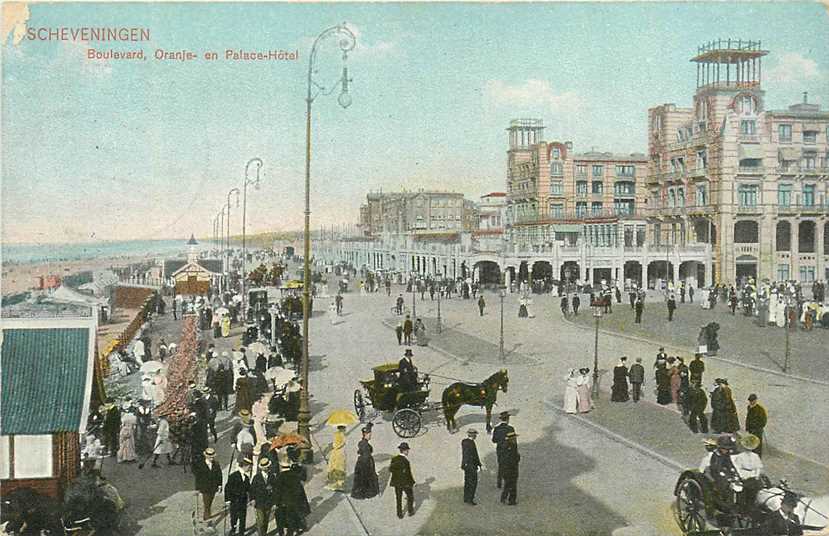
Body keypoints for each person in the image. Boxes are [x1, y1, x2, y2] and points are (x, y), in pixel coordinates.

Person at [274, 459, 311, 536]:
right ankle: (296, 530)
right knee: (294, 517)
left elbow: (278, 492)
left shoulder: (280, 477)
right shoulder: (294, 475)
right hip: (295, 501)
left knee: (287, 518)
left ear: (282, 467)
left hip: (285, 502)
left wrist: (276, 503)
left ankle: (287, 533)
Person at [733, 433, 765, 512]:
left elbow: (758, 467)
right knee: (744, 490)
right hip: (745, 476)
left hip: (753, 476)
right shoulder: (740, 456)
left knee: (758, 488)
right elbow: (738, 468)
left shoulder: (755, 456)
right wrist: (742, 476)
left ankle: (754, 504)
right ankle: (743, 506)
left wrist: (757, 476)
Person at [225, 457, 252, 536]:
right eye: (249, 467)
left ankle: (241, 533)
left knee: (243, 518)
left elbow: (249, 489)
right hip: (234, 501)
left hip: (243, 502)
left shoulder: (246, 478)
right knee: (234, 517)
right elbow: (227, 488)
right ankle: (233, 529)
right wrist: (227, 500)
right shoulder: (233, 476)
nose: (250, 469)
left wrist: (251, 498)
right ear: (245, 466)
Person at [250, 457, 277, 536]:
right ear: (263, 468)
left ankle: (264, 533)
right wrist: (252, 499)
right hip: (259, 502)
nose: (269, 468)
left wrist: (275, 503)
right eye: (267, 467)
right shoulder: (256, 477)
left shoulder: (272, 476)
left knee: (266, 520)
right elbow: (252, 489)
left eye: (269, 467)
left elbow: (275, 490)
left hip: (269, 502)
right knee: (260, 521)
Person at [351, 425, 379, 499]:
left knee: (363, 478)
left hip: (362, 462)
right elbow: (366, 456)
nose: (370, 436)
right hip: (364, 463)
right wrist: (369, 466)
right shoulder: (365, 444)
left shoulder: (363, 442)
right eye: (369, 434)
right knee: (365, 477)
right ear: (365, 434)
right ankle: (365, 493)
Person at [194, 447, 222, 520]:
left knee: (209, 503)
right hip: (205, 487)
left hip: (213, 487)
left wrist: (220, 485)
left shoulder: (216, 464)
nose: (212, 459)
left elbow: (219, 475)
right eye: (210, 457)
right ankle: (207, 519)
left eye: (213, 457)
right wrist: (197, 488)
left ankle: (206, 516)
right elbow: (198, 478)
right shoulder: (201, 465)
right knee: (207, 505)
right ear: (206, 456)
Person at [389, 442, 416, 519]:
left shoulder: (394, 459)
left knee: (398, 498)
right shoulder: (406, 462)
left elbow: (391, 469)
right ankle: (410, 511)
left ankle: (399, 514)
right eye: (407, 450)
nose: (408, 452)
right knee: (410, 496)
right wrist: (413, 483)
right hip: (405, 483)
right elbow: (408, 474)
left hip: (396, 483)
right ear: (404, 451)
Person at [491, 411, 515, 488]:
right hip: (508, 450)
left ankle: (499, 482)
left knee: (501, 465)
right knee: (508, 466)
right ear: (508, 419)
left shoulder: (497, 429)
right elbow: (513, 442)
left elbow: (494, 440)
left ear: (501, 419)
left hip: (500, 450)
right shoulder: (510, 429)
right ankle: (507, 481)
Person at [461, 429, 482, 505]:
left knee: (467, 482)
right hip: (471, 466)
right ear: (473, 435)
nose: (476, 436)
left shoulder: (464, 441)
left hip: (467, 465)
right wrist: (478, 464)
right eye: (475, 434)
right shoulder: (471, 443)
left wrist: (464, 464)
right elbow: (474, 455)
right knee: (473, 482)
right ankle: (470, 499)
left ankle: (466, 498)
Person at [500, 431, 520, 505]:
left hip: (512, 468)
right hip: (509, 469)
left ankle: (508, 499)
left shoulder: (512, 445)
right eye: (514, 438)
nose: (515, 439)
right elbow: (509, 458)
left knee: (510, 484)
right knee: (510, 484)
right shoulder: (508, 446)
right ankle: (509, 499)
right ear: (510, 439)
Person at [326, 425, 347, 492]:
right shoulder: (342, 435)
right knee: (339, 467)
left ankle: (334, 483)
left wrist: (336, 446)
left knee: (334, 467)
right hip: (340, 453)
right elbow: (340, 444)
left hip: (336, 452)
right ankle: (338, 484)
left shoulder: (337, 434)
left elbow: (335, 445)